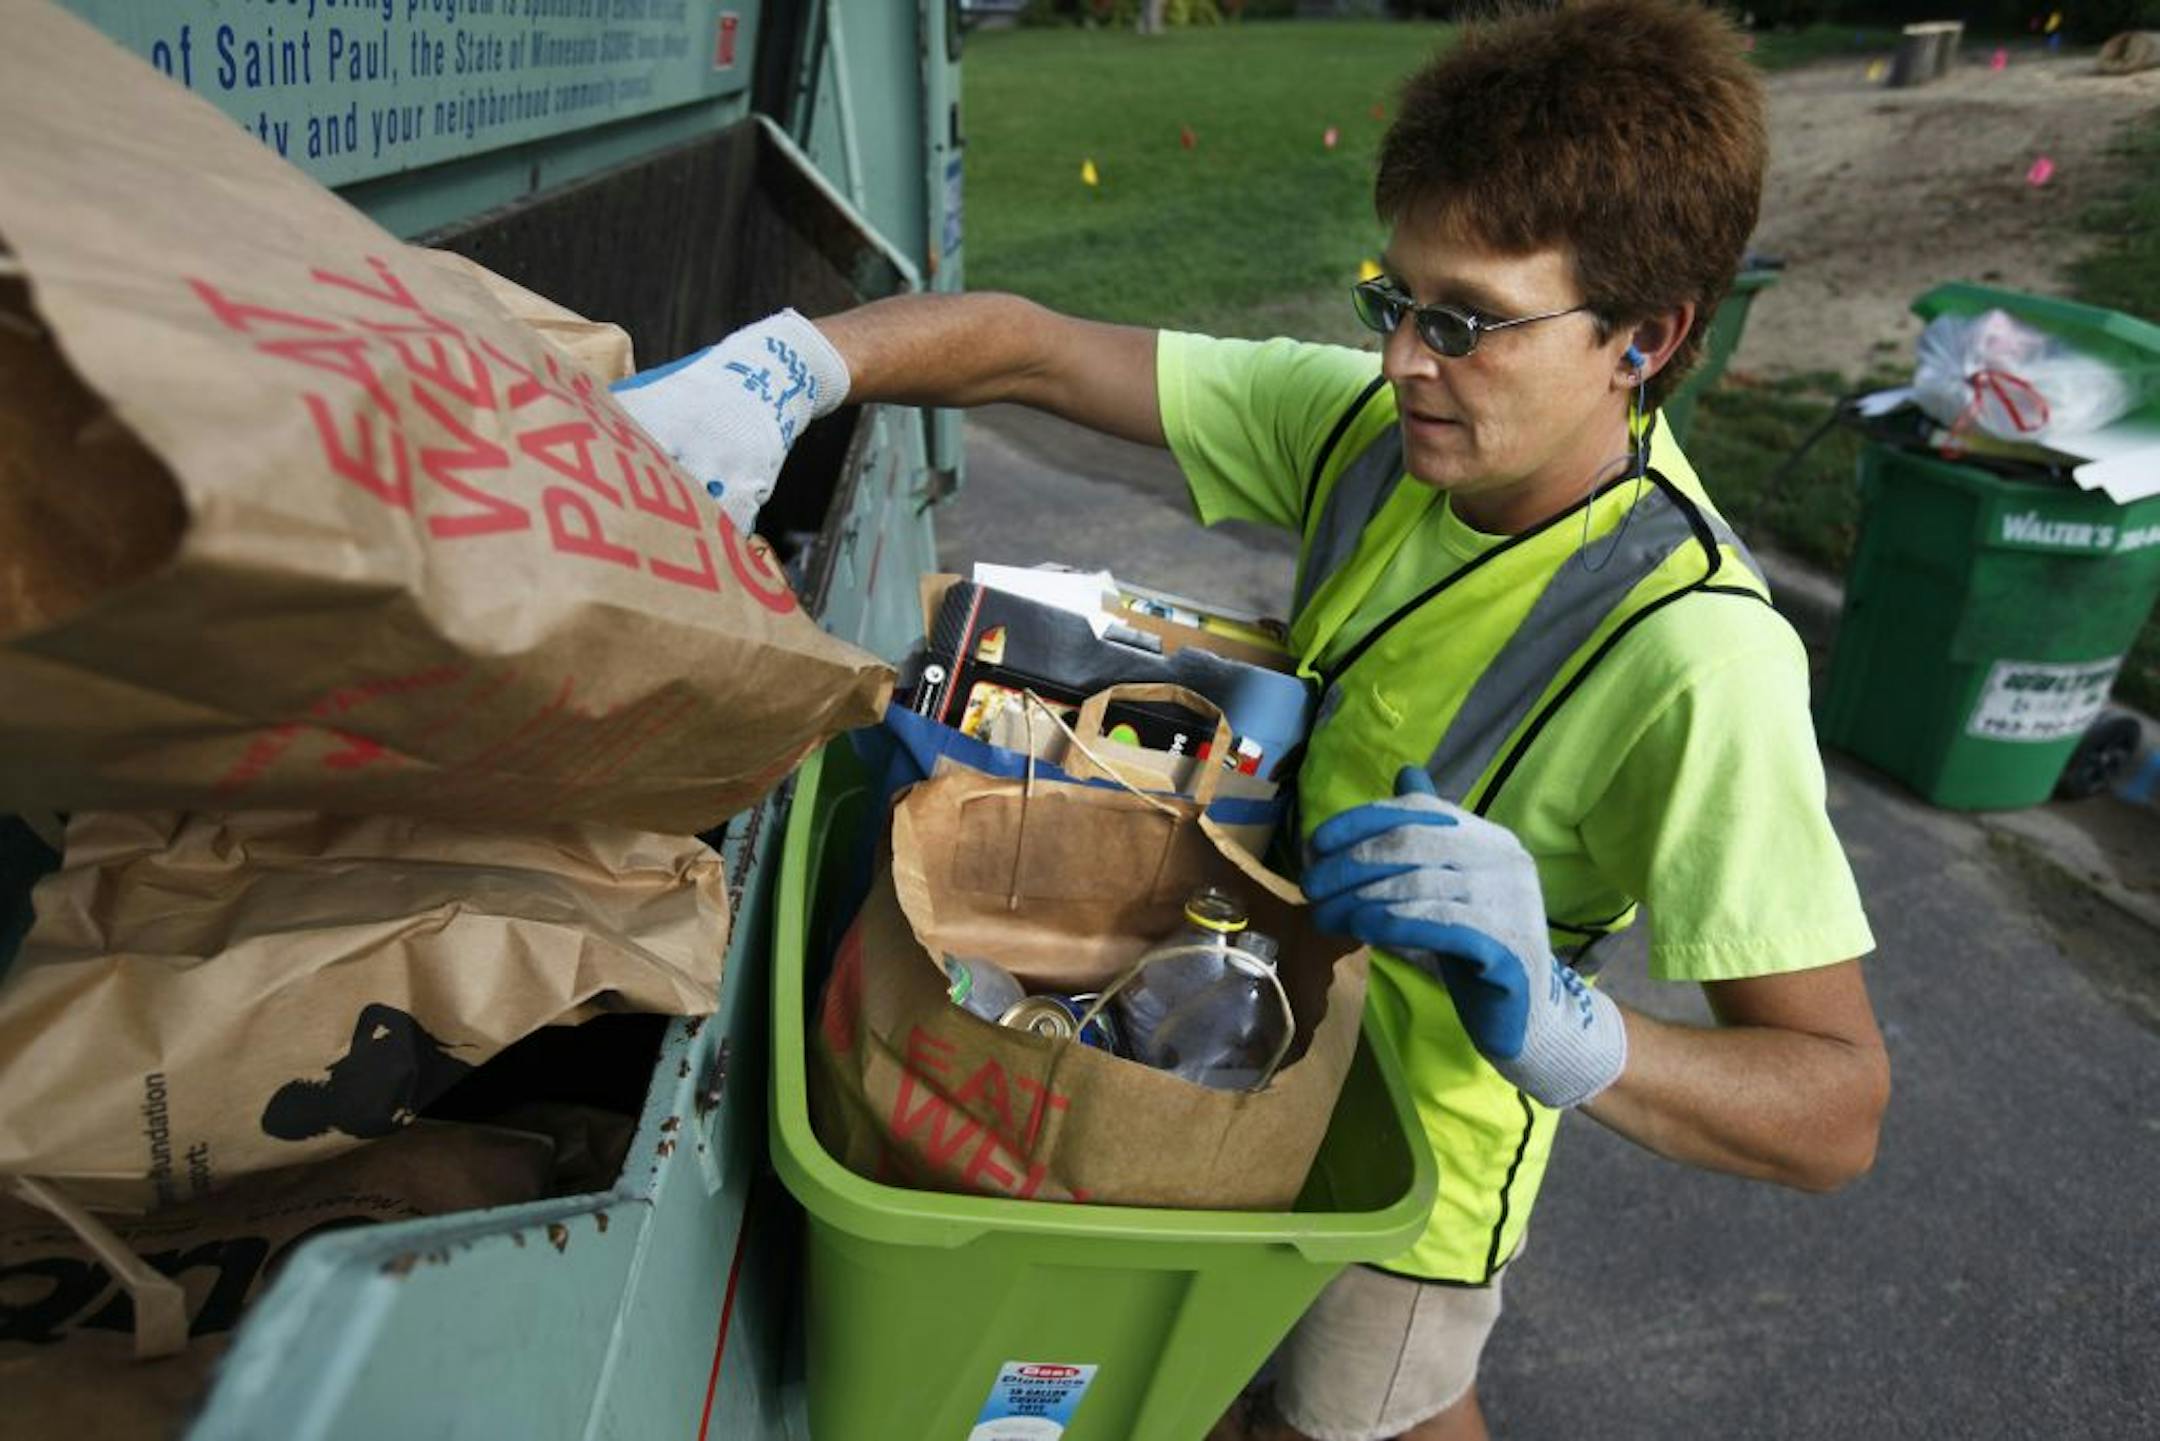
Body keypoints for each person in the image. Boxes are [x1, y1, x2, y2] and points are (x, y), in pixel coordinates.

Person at [615, 2, 1891, 1436]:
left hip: (1393, 1189)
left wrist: (1579, 1030)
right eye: (1393, 299)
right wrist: (793, 367)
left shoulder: (1701, 657)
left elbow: (1836, 1108)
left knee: (1347, 1418)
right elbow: (1033, 350)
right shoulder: (1376, 432)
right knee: (1178, 1391)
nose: (1407, 357)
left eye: (1466, 321)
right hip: (1212, 1052)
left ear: (1643, 338)